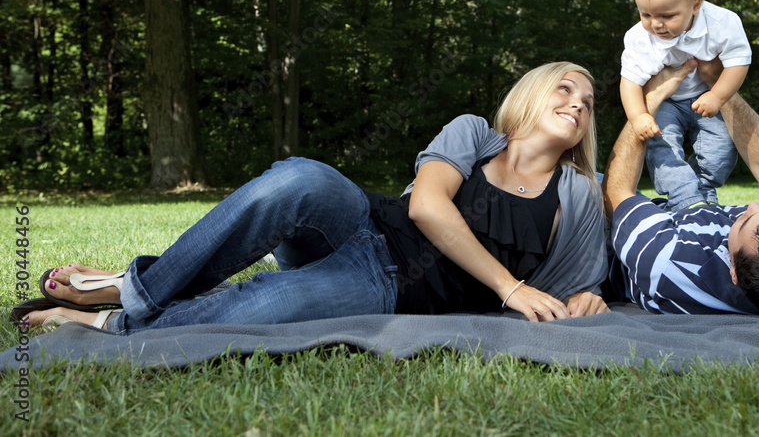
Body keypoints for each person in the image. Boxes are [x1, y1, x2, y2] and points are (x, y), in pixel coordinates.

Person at [13, 62, 610, 333]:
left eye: (588, 102)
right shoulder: (474, 133)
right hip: (360, 224)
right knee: (299, 176)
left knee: (257, 309)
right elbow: (427, 207)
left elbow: (583, 281)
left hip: (394, 288)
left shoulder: (578, 193)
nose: (579, 104)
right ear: (531, 94)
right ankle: (137, 287)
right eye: (566, 89)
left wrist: (588, 298)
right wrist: (509, 286)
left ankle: (109, 315)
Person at [604, 58, 759, 318]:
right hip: (685, 215)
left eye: (743, 222)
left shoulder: (669, 263)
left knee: (579, 181)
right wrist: (721, 87)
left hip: (622, 240)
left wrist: (651, 98)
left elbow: (616, 193)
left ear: (733, 272)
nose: (753, 205)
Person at [619, 0, 752, 210]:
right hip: (668, 101)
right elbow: (630, 81)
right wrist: (639, 116)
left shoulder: (721, 23)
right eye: (645, 14)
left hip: (707, 97)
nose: (655, 24)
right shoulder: (639, 38)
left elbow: (739, 62)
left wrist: (718, 95)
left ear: (695, 4)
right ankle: (683, 197)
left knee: (721, 150)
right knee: (661, 142)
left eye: (667, 16)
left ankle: (703, 190)